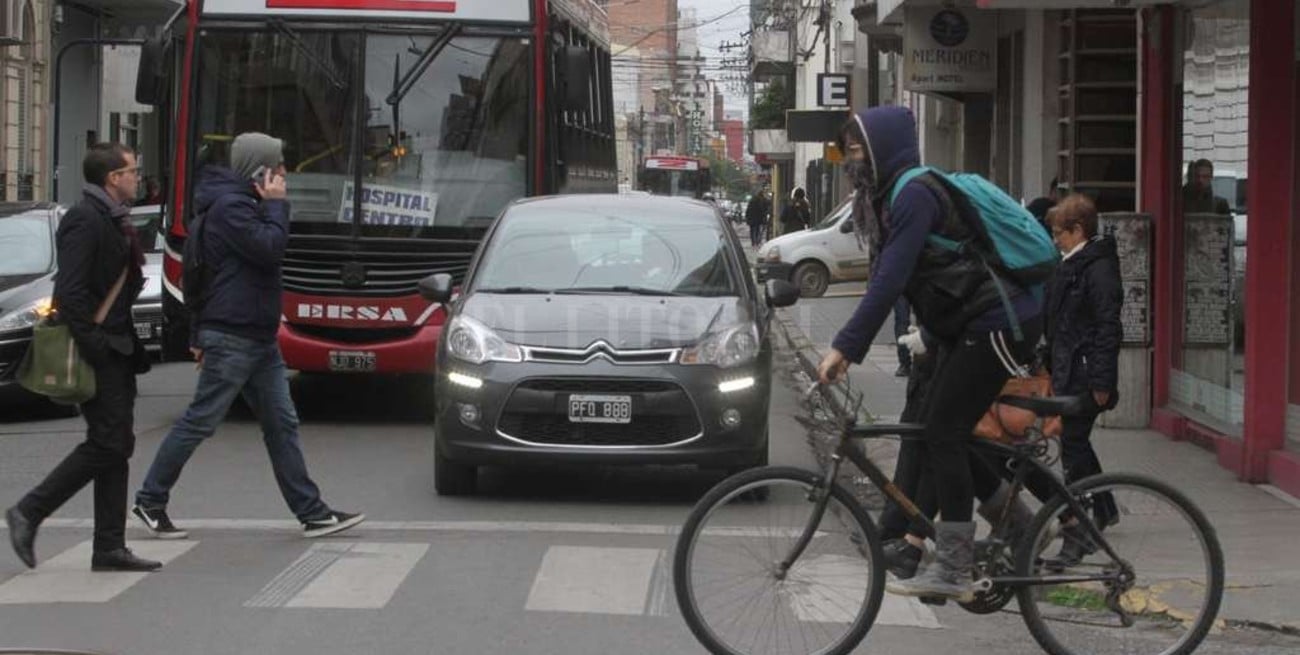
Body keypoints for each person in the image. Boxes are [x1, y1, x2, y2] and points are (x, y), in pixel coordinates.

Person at [818, 106, 1042, 601]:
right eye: (847, 149)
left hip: (1001, 323)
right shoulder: (885, 200)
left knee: (942, 430)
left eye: (857, 149)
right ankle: (1019, 522)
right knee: (941, 432)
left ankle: (955, 568)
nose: (850, 159)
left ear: (883, 150)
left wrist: (845, 348)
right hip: (969, 327)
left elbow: (890, 281)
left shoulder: (914, 193)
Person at [131, 133, 364, 540]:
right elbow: (270, 249)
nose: (285, 173)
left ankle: (312, 513)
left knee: (282, 424)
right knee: (201, 421)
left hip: (256, 336)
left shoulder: (239, 205)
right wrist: (276, 205)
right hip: (234, 335)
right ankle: (150, 499)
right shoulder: (233, 209)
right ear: (261, 170)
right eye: (279, 166)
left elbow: (208, 276)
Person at [5, 143, 160, 572]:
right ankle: (29, 511)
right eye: (132, 170)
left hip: (118, 348)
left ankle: (109, 546)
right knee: (108, 442)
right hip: (101, 350)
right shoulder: (85, 220)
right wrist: (97, 348)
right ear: (113, 178)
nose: (137, 176)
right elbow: (69, 294)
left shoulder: (114, 217)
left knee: (118, 444)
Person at [1041, 193, 1123, 569]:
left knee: (1073, 445)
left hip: (1085, 372)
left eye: (1060, 232)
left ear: (1078, 230)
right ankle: (1103, 508)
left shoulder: (1097, 269)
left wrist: (1101, 380)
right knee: (1076, 442)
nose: (1055, 239)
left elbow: (1108, 326)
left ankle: (1084, 523)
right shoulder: (1070, 264)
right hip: (1068, 368)